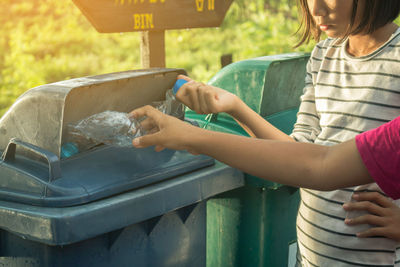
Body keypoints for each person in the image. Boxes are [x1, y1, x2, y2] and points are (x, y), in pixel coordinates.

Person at [132, 0, 400, 265]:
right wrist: (235, 107)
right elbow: (298, 155)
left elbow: (319, 166)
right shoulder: (323, 55)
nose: (315, 9)